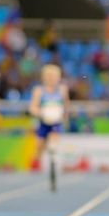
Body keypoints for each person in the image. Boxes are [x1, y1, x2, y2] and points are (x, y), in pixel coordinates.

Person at [29, 64, 69, 192]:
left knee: (52, 144)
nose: (51, 79)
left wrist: (63, 116)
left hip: (56, 123)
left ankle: (53, 161)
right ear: (44, 78)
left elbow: (66, 106)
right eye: (48, 76)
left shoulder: (62, 89)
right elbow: (32, 107)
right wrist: (41, 113)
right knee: (39, 148)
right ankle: (42, 162)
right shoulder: (39, 90)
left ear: (58, 78)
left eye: (54, 76)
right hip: (43, 122)